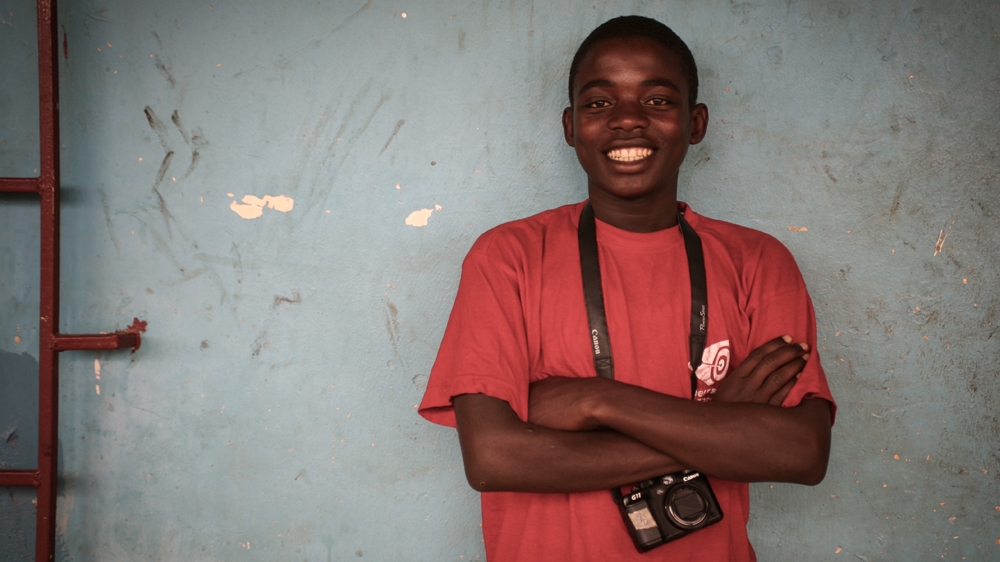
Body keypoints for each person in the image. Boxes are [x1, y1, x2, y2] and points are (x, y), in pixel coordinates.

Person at [418, 15, 835, 562]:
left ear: (696, 122)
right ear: (570, 127)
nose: (628, 121)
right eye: (599, 103)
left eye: (659, 100)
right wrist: (715, 424)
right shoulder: (509, 256)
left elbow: (801, 452)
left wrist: (595, 400)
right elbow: (495, 458)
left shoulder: (758, 261)